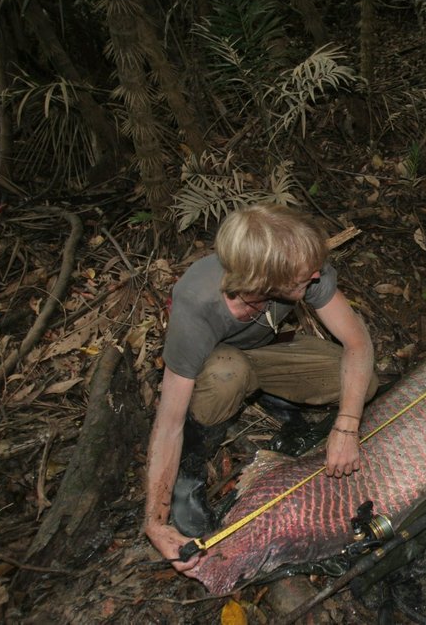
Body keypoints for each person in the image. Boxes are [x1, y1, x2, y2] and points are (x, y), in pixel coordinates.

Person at [143, 204, 378, 574]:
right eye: (306, 275)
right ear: (263, 280)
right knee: (227, 375)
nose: (317, 275)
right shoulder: (197, 304)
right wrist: (156, 523)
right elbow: (169, 421)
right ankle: (189, 474)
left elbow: (357, 343)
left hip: (271, 351)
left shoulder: (304, 268)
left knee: (363, 383)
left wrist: (347, 425)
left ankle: (269, 391)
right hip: (220, 364)